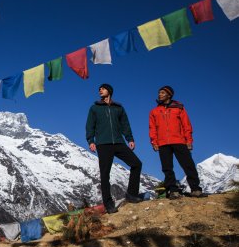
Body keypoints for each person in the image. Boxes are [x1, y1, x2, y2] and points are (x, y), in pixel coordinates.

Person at [86, 84, 143, 214]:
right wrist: (91, 141)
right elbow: (90, 126)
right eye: (99, 89)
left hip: (118, 142)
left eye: (103, 88)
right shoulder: (95, 108)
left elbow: (125, 124)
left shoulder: (118, 108)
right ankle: (108, 204)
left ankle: (132, 194)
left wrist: (130, 139)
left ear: (109, 91)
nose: (100, 90)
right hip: (103, 144)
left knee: (137, 164)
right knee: (105, 174)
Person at [149, 86, 204, 199]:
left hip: (179, 141)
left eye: (163, 92)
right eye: (159, 92)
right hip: (163, 143)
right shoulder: (154, 111)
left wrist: (189, 140)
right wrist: (154, 141)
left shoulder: (179, 108)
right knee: (167, 168)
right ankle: (173, 190)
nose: (160, 94)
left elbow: (186, 125)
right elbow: (152, 128)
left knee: (188, 165)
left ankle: (195, 189)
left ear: (169, 95)